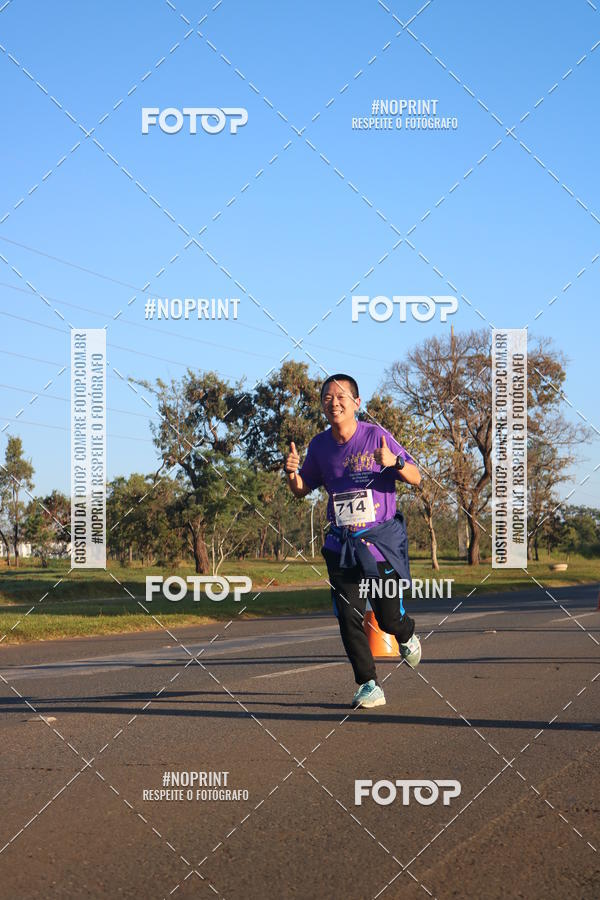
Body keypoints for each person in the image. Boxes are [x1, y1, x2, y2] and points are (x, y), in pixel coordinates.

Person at [283, 373, 422, 709]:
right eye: (327, 398)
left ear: (357, 403)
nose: (334, 403)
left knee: (387, 619)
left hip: (379, 545)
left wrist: (395, 462)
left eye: (341, 396)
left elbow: (416, 477)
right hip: (342, 545)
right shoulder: (319, 446)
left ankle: (406, 632)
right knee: (348, 616)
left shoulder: (376, 435)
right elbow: (302, 489)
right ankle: (368, 684)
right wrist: (291, 473)